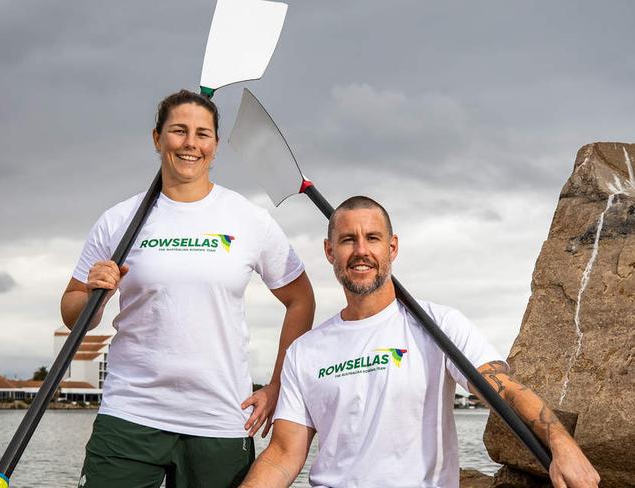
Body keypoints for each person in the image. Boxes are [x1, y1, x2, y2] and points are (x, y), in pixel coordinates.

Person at [239, 196, 600, 488]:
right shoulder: (306, 351)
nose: (361, 250)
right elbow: (284, 453)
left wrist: (562, 444)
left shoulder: (439, 326)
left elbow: (503, 389)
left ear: (392, 248)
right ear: (330, 251)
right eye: (348, 240)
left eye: (373, 238)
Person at [60, 89, 315, 488]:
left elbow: (300, 298)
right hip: (131, 414)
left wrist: (278, 383)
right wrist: (97, 295)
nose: (191, 143)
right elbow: (73, 312)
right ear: (157, 138)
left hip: (219, 417)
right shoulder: (119, 220)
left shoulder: (249, 219)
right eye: (179, 131)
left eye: (203, 134)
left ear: (215, 145)